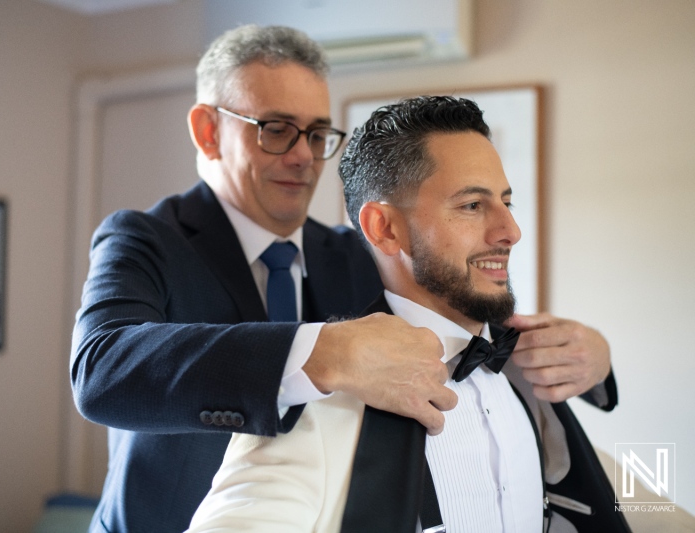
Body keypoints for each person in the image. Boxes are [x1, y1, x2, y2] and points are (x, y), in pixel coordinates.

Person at [71, 26, 615, 533]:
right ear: (208, 131)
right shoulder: (143, 239)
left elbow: (459, 310)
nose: (305, 156)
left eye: (317, 132)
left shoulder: (355, 252)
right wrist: (322, 352)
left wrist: (593, 359)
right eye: (277, 130)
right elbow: (101, 368)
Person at [186, 96, 628, 533]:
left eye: (506, 203)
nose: (510, 232)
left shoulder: (524, 364)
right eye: (472, 205)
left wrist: (601, 356)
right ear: (386, 228)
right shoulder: (315, 409)